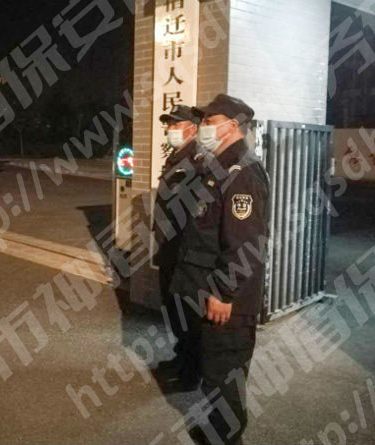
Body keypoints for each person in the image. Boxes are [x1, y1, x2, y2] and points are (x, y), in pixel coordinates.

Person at [169, 94, 270, 445]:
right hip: (207, 286)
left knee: (224, 372)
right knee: (214, 369)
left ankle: (226, 437)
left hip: (228, 298)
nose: (204, 128)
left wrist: (224, 293)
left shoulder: (242, 172)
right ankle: (217, 427)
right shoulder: (220, 166)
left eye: (210, 122)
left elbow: (245, 243)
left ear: (232, 126)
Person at [153, 105, 205, 392]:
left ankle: (192, 372)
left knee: (188, 311)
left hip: (184, 249)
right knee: (173, 307)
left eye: (175, 125)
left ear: (192, 129)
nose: (170, 130)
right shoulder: (176, 157)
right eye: (169, 125)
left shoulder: (198, 161)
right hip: (169, 246)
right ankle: (180, 356)